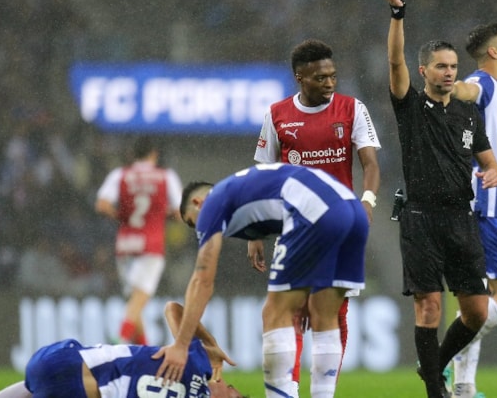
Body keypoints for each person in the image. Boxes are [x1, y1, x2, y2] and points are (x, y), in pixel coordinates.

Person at [155, 163, 368, 398]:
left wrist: (182, 345)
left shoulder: (212, 202)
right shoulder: (242, 190)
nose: (201, 230)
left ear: (197, 203)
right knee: (324, 315)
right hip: (352, 211)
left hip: (313, 210)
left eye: (194, 223)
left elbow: (202, 280)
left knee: (274, 313)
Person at [382, 0, 497, 398]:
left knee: (476, 311)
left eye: (453, 67)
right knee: (429, 306)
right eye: (441, 67)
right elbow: (395, 61)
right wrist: (398, 15)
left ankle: (433, 367)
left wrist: (492, 174)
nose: (449, 73)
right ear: (424, 71)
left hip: (461, 218)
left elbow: (489, 162)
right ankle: (435, 390)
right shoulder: (411, 106)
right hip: (420, 218)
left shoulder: (469, 114)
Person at [253, 38, 381, 386]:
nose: (329, 83)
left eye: (333, 76)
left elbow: (370, 164)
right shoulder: (277, 115)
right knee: (288, 313)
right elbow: (264, 177)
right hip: (292, 229)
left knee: (332, 314)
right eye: (320, 78)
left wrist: (367, 201)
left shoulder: (352, 109)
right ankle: (288, 390)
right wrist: (257, 230)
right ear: (300, 78)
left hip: (339, 227)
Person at [446, 23, 497, 398]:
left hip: (488, 210)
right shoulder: (486, 85)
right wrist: (449, 85)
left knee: (477, 302)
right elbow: (466, 89)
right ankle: (444, 359)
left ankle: (464, 386)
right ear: (493, 51)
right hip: (480, 212)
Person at [0, 301, 246, 398]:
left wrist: (208, 345)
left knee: (37, 384)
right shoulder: (197, 367)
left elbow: (172, 309)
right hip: (73, 384)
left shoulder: (197, 366)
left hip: (61, 364)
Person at [95, 136, 183, 345]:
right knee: (139, 300)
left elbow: (102, 205)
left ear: (131, 155)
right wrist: (164, 213)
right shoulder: (165, 177)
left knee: (134, 302)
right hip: (151, 245)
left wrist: (122, 216)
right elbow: (180, 211)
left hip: (126, 245)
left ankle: (145, 350)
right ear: (154, 154)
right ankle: (120, 340)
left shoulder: (120, 175)